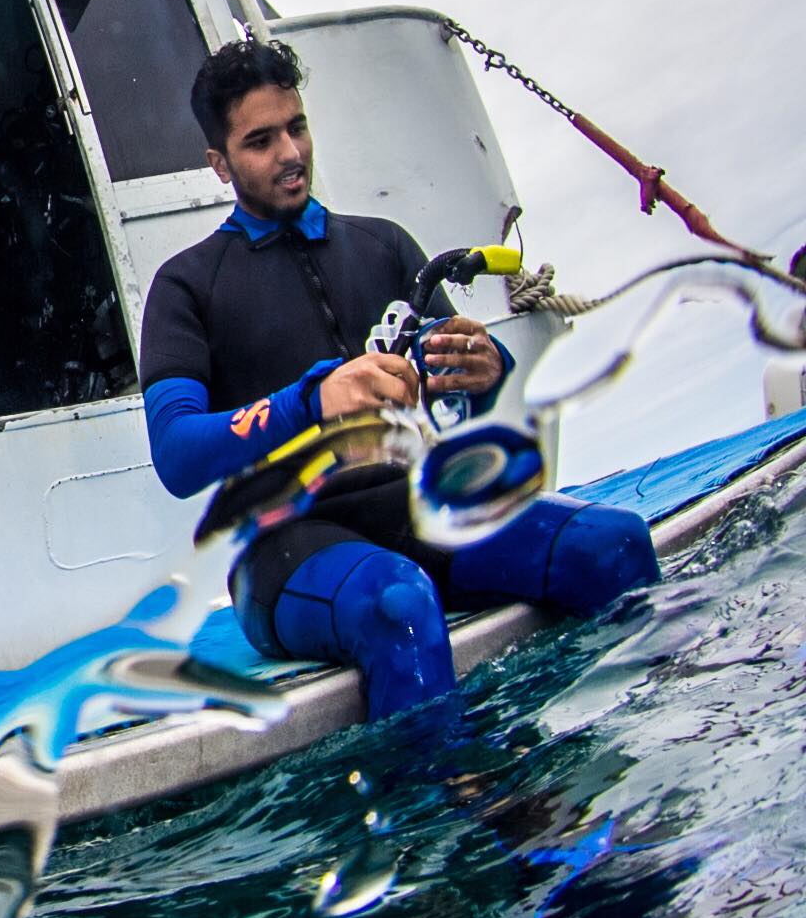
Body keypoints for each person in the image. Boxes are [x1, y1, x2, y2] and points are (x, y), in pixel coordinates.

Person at [138, 37, 659, 720]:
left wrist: (483, 372)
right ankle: (446, 822)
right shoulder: (185, 285)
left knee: (614, 542)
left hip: (416, 507)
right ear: (219, 163)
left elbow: (456, 387)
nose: (290, 153)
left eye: (296, 127)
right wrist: (311, 401)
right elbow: (177, 453)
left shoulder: (383, 244)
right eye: (261, 141)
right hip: (282, 546)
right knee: (397, 603)